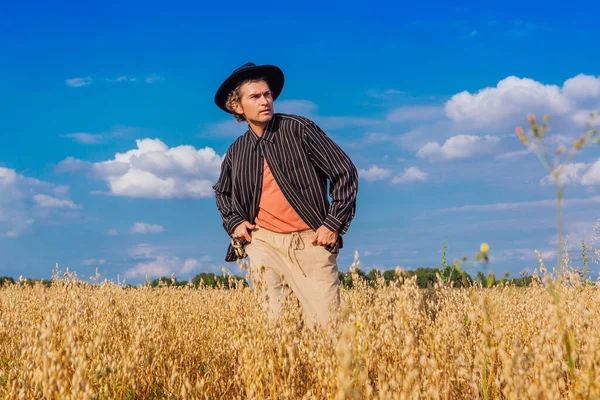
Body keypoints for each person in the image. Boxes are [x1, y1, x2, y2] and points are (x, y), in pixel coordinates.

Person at [212, 62, 358, 330]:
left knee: (326, 327)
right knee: (278, 328)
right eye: (254, 97)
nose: (265, 101)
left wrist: (333, 224)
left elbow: (344, 171)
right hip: (264, 243)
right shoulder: (237, 151)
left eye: (267, 95)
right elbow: (222, 191)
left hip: (310, 241)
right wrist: (234, 222)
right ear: (237, 106)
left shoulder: (298, 129)